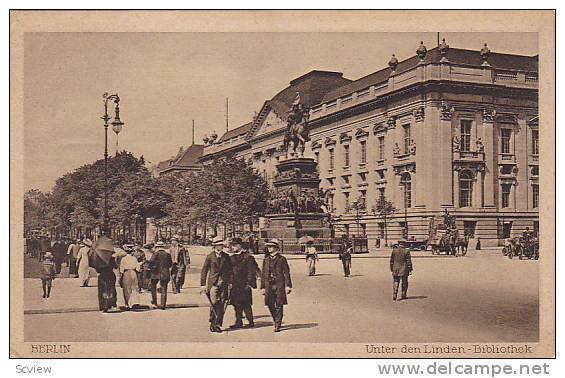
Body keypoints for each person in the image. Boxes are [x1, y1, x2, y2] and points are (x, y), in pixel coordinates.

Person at [200, 236, 232, 333]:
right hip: (213, 284)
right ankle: (213, 322)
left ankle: (218, 324)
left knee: (222, 303)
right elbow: (204, 270)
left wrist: (230, 282)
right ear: (215, 246)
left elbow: (230, 271)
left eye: (222, 245)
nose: (221, 246)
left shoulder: (226, 257)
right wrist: (203, 285)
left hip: (224, 283)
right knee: (214, 303)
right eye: (219, 245)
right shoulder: (210, 256)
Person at [261, 239, 292, 332]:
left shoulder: (282, 259)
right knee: (270, 303)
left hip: (279, 284)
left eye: (271, 247)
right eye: (268, 247)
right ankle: (276, 319)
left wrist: (288, 285)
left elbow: (286, 273)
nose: (269, 248)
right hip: (269, 285)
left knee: (279, 304)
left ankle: (277, 324)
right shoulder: (266, 260)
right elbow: (263, 274)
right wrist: (262, 287)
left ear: (276, 248)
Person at [228, 237, 257, 329]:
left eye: (234, 245)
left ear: (240, 246)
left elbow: (251, 271)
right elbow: (229, 272)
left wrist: (249, 283)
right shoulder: (231, 258)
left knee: (246, 303)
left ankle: (250, 321)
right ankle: (238, 322)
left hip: (244, 284)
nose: (232, 247)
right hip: (235, 284)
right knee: (236, 304)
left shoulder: (248, 257)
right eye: (232, 245)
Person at [149, 241, 173, 310]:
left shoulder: (155, 254)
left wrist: (152, 268)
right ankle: (163, 305)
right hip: (165, 273)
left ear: (157, 247)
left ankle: (155, 301)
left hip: (156, 273)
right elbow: (170, 264)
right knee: (164, 288)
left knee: (153, 286)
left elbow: (151, 261)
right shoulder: (167, 254)